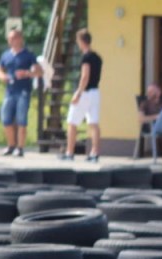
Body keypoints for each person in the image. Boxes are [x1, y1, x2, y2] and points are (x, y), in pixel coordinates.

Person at [0, 28, 42, 157]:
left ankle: (20, 148)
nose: (11, 40)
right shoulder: (6, 55)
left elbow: (39, 72)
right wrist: (2, 77)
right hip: (9, 91)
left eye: (13, 37)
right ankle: (11, 146)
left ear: (20, 39)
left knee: (21, 118)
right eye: (9, 38)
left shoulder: (28, 55)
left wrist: (27, 73)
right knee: (6, 118)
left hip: (23, 91)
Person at [61, 28, 102, 162]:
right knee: (93, 123)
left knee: (72, 122)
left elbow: (85, 76)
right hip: (95, 92)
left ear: (82, 41)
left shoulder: (86, 57)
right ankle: (94, 153)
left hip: (85, 92)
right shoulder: (97, 57)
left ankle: (69, 152)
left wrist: (78, 93)